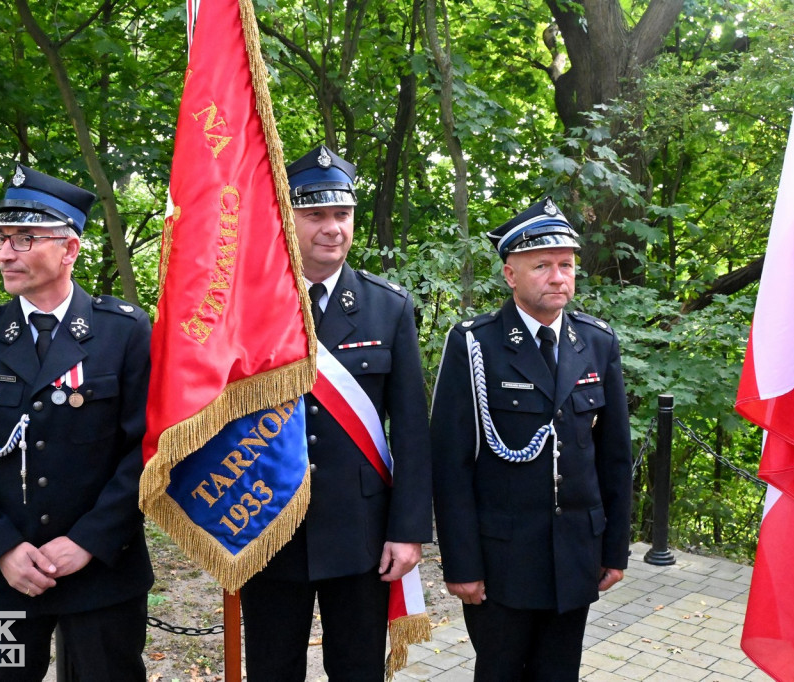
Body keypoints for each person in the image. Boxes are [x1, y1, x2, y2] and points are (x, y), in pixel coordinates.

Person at [0, 164, 154, 682]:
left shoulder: (123, 332)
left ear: (69, 249)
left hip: (102, 569)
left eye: (25, 238)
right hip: (4, 574)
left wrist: (90, 541)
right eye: (1, 239)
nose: (6, 253)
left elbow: (145, 449)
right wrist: (1, 548)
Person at [238, 145, 433, 681]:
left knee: (357, 669)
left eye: (341, 214)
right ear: (287, 217)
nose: (332, 228)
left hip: (362, 533)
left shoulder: (386, 306)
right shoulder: (248, 307)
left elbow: (412, 430)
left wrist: (409, 530)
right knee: (272, 670)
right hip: (267, 526)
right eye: (315, 214)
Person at [430, 196, 633, 681]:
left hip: (575, 555)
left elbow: (615, 457)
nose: (558, 276)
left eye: (566, 264)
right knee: (500, 671)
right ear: (509, 274)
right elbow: (450, 463)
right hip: (502, 558)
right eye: (542, 265)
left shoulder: (596, 341)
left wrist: (614, 551)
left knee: (560, 672)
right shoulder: (474, 344)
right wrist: (460, 563)